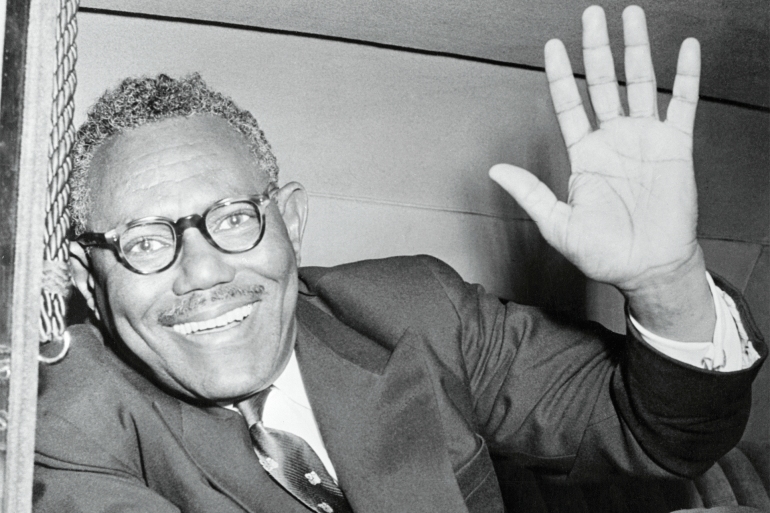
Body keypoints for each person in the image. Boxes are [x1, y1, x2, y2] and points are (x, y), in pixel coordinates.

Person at [34, 5, 765, 513]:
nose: (201, 272)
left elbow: (658, 434)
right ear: (86, 284)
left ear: (290, 220)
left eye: (233, 217)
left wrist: (667, 282)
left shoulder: (419, 309)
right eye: (145, 242)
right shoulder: (70, 422)